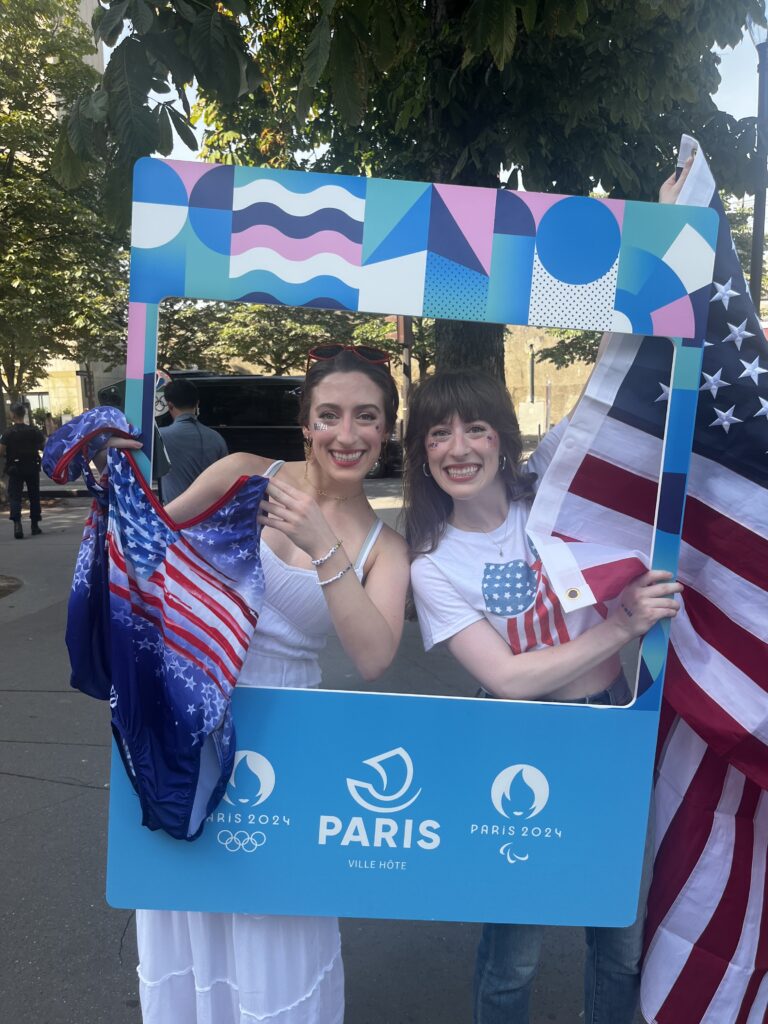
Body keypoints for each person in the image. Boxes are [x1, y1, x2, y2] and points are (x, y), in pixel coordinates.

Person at [105, 345, 410, 1024]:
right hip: (185, 718)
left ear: (386, 429)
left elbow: (373, 656)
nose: (347, 433)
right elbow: (142, 548)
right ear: (305, 422)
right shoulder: (242, 473)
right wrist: (120, 475)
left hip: (287, 738)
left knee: (278, 927)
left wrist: (322, 540)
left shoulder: (384, 548)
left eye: (367, 417)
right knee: (187, 910)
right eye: (329, 414)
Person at [402, 366, 682, 1024]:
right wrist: (619, 627)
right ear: (421, 452)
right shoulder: (433, 563)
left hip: (609, 729)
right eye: (438, 434)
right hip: (515, 744)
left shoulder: (555, 492)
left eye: (475, 428)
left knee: (617, 938)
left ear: (503, 437)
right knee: (514, 955)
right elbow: (507, 679)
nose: (459, 447)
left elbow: (618, 386)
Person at [157, 377, 229, 503]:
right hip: (209, 514)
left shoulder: (160, 437)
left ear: (169, 405)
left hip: (174, 516)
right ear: (197, 404)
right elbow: (225, 478)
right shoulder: (216, 438)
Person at [0, 402, 45, 539]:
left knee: (15, 497)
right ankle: (35, 525)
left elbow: (1, 451)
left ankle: (17, 525)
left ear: (12, 415)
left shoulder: (8, 433)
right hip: (32, 466)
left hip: (15, 468)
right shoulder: (34, 431)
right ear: (24, 414)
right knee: (34, 495)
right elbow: (43, 447)